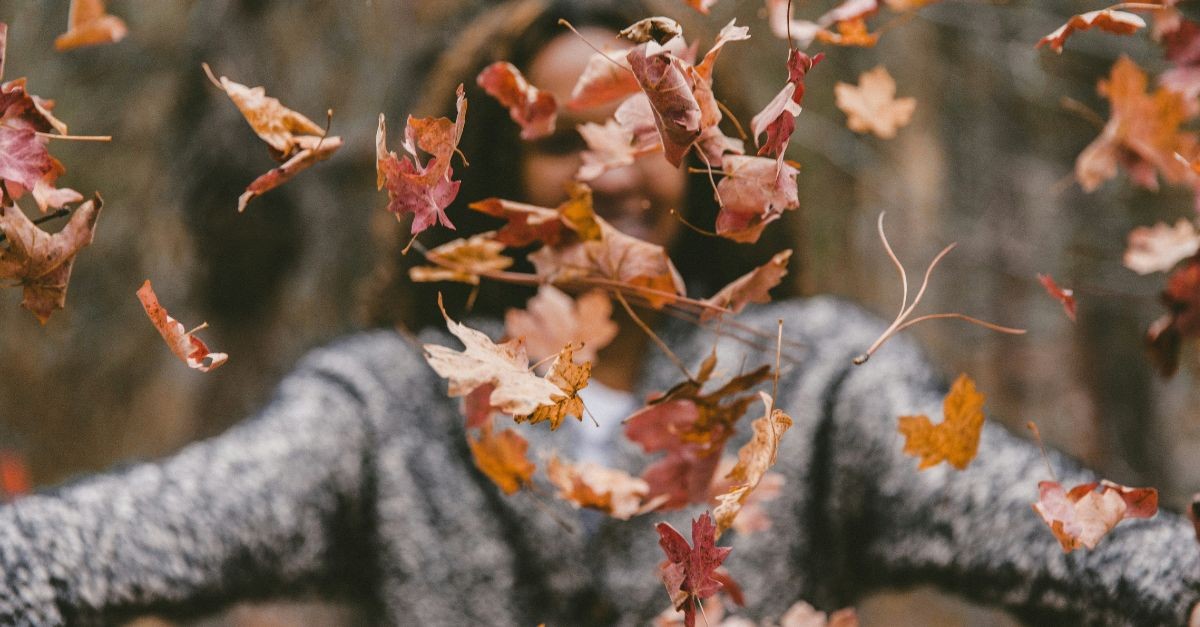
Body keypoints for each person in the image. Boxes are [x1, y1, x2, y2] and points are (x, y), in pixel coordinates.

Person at [1, 1, 1198, 625]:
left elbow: (1044, 528)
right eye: (570, 139)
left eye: (650, 130)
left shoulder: (817, 382)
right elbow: (132, 535)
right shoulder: (385, 411)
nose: (616, 165)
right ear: (495, 183)